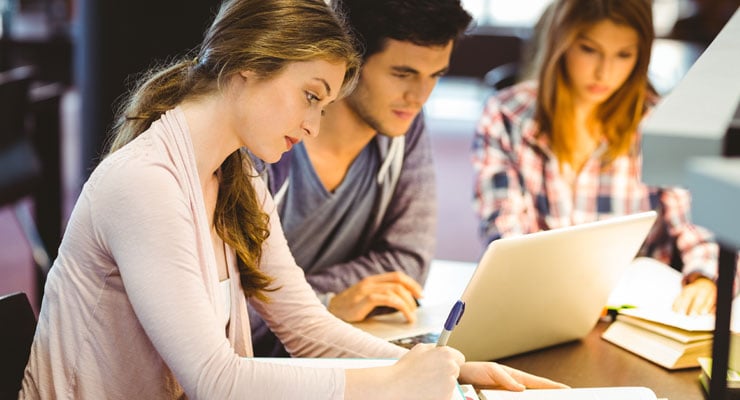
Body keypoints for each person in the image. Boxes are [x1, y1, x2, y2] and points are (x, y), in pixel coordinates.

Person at [20, 0, 566, 398]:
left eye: (323, 106)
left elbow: (306, 327)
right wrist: (392, 384)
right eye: (310, 97)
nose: (310, 127)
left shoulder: (238, 177)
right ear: (245, 68)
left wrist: (448, 363)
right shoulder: (145, 183)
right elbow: (216, 381)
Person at [472, 0, 730, 317]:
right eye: (589, 50)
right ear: (562, 42)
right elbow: (505, 232)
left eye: (623, 55)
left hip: (635, 313)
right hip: (541, 306)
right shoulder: (507, 114)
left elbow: (697, 225)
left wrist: (704, 278)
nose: (604, 72)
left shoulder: (657, 121)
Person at [250, 0, 472, 356]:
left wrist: (300, 302)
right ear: (349, 61)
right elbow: (226, 309)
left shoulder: (404, 129)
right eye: (403, 74)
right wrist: (326, 303)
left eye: (435, 76)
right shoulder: (268, 145)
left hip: (332, 354)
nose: (419, 97)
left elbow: (406, 269)